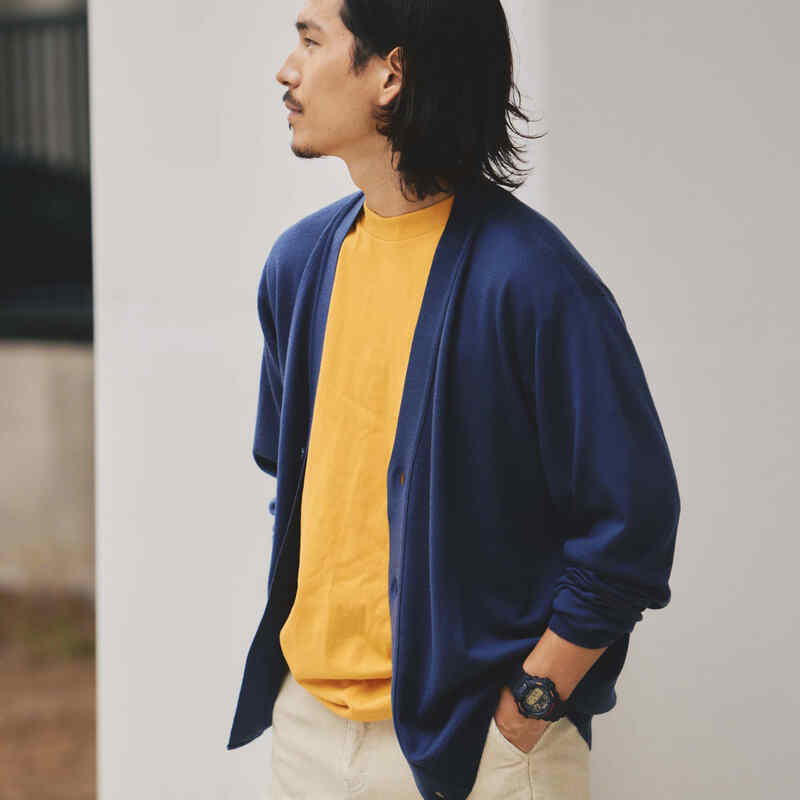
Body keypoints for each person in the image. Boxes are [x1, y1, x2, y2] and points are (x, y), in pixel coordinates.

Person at [227, 2, 681, 798]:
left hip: (478, 752)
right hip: (309, 735)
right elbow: (297, 490)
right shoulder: (298, 268)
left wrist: (527, 709)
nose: (286, 69)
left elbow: (630, 531)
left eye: (311, 40)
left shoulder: (533, 281)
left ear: (390, 75)